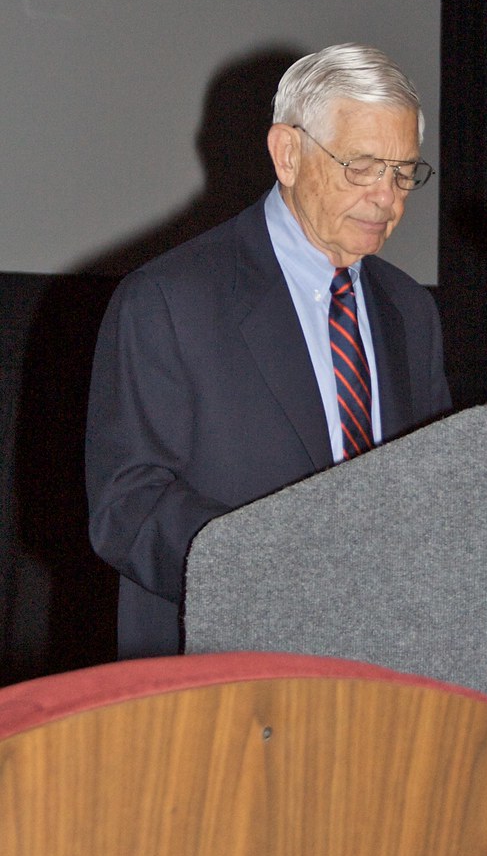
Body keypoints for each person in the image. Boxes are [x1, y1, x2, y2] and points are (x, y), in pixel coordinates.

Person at [85, 43, 452, 658]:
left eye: (402, 172)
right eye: (361, 166)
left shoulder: (410, 311)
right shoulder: (170, 299)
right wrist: (287, 575)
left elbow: (436, 487)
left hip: (387, 667)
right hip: (225, 670)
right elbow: (129, 509)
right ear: (287, 153)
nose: (387, 199)